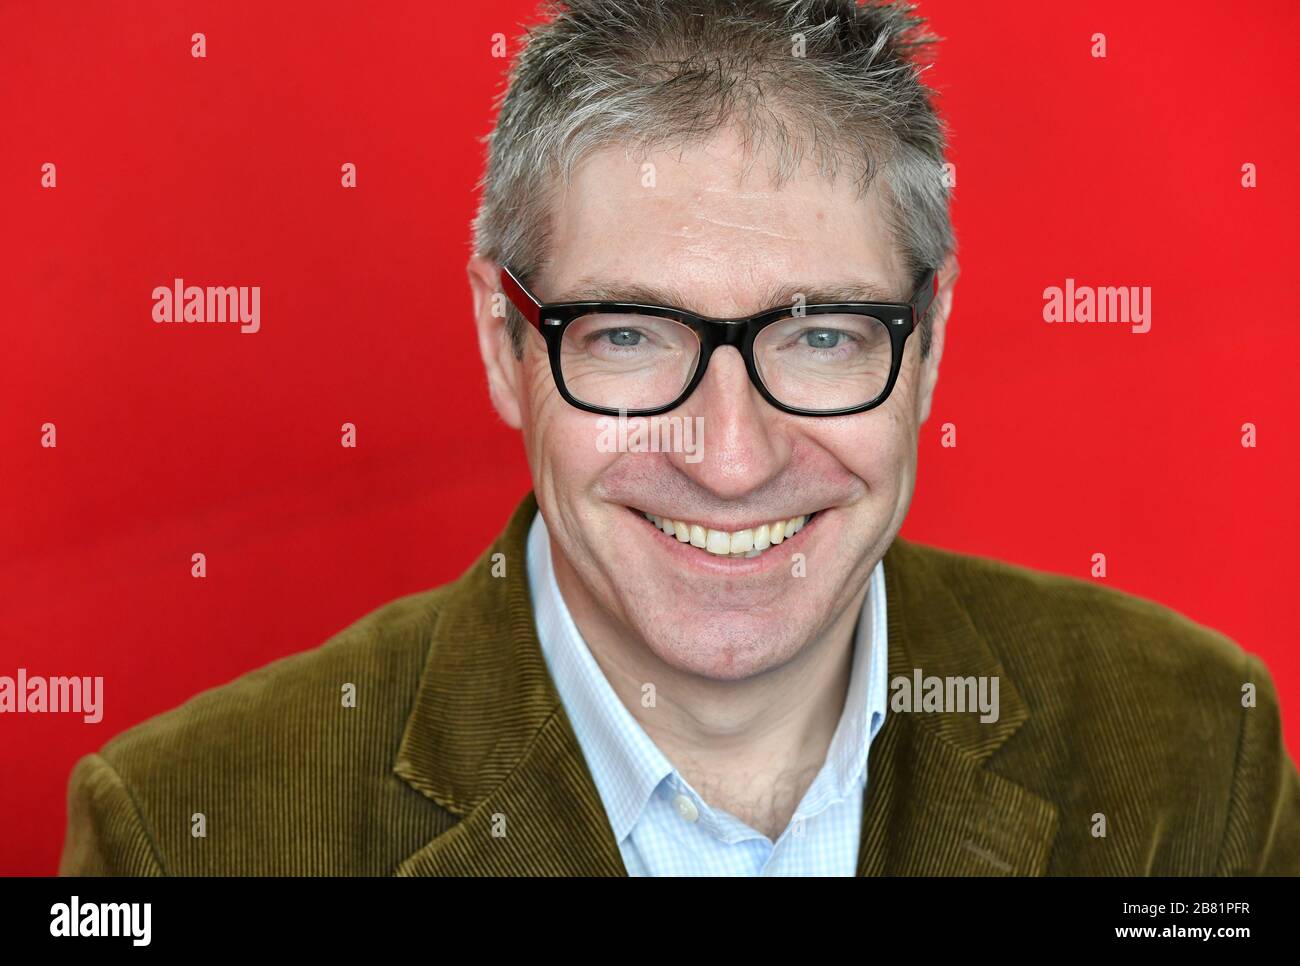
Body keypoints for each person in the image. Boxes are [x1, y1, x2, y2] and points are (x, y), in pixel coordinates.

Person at [60, 0, 1299, 876]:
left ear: (924, 346)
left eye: (820, 337)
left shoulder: (1195, 745)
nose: (730, 456)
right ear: (505, 342)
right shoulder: (182, 833)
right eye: (630, 337)